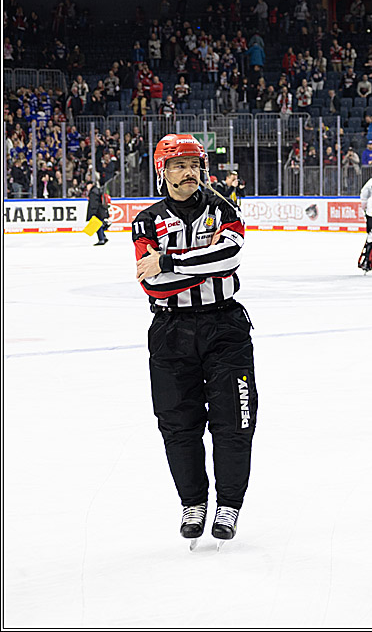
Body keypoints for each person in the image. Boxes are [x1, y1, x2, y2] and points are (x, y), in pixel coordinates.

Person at [132, 134, 257, 546]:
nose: (190, 172)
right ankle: (193, 503)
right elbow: (155, 286)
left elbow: (232, 258)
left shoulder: (223, 206)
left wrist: (170, 259)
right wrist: (204, 264)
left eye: (195, 164)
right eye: (180, 165)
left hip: (226, 329)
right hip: (170, 333)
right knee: (177, 424)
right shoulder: (147, 221)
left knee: (234, 421)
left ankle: (228, 506)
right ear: (162, 171)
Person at [85, 180, 110, 246]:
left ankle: (101, 239)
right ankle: (103, 237)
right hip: (101, 211)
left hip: (97, 212)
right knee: (99, 225)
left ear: (90, 185)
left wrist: (93, 213)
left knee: (97, 225)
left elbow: (94, 204)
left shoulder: (93, 192)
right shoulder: (97, 190)